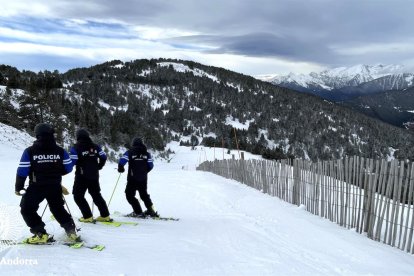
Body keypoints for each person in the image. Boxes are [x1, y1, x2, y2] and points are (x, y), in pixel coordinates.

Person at [15, 123, 80, 244]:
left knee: (27, 209)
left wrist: (18, 187)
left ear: (37, 134)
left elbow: (22, 170)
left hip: (36, 186)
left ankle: (40, 234)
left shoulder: (30, 151)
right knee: (58, 209)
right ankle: (71, 232)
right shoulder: (60, 151)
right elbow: (69, 167)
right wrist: (55, 174)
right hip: (55, 186)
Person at [69, 128, 111, 223]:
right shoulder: (96, 146)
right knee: (96, 194)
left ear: (78, 137)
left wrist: (63, 169)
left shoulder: (76, 147)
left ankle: (87, 216)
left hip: (82, 176)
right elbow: (104, 157)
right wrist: (99, 166)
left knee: (78, 196)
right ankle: (105, 215)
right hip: (94, 175)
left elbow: (72, 161)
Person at [118, 137, 158, 217]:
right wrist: (144, 172)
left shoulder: (130, 152)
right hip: (143, 179)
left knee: (129, 195)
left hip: (132, 178)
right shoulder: (147, 154)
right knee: (144, 195)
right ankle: (151, 211)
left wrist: (121, 168)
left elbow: (122, 161)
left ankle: (138, 212)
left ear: (133, 144)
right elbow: (151, 165)